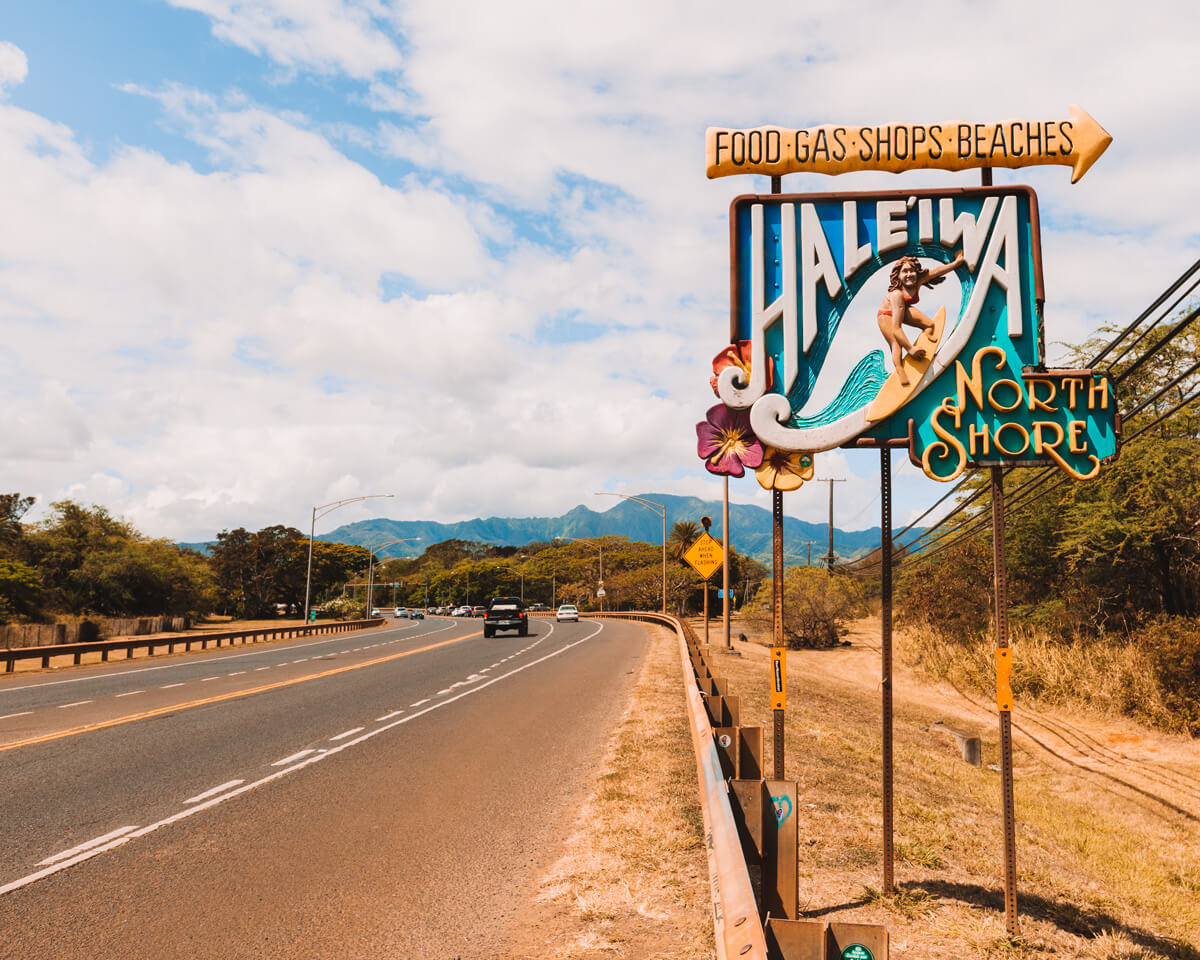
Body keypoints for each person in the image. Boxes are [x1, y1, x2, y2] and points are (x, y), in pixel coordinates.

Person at [877, 252, 965, 386]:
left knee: (930, 324)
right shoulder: (897, 295)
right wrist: (910, 349)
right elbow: (896, 328)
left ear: (916, 272)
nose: (909, 275)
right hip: (886, 315)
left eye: (911, 271)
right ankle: (900, 373)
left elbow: (936, 272)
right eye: (904, 271)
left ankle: (927, 336)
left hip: (902, 308)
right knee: (896, 344)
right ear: (898, 276)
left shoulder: (919, 280)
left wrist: (955, 264)